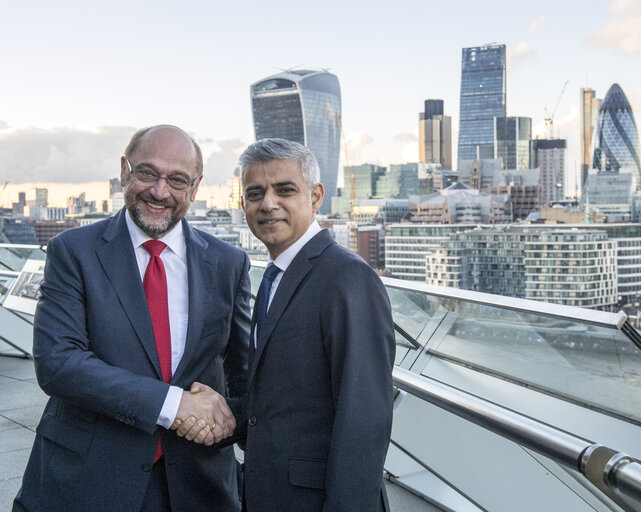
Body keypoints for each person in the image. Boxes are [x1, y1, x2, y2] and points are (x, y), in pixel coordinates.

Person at [13, 125, 251, 512]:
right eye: (147, 173)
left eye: (177, 180)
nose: (160, 191)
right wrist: (175, 406)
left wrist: (227, 424)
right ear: (124, 171)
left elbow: (242, 375)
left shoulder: (229, 263)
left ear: (194, 188)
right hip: (87, 479)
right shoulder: (73, 252)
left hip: (198, 485)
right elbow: (58, 363)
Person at [179, 138, 395, 511]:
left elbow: (364, 420)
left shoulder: (347, 277)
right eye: (255, 192)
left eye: (285, 190)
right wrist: (223, 413)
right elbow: (286, 401)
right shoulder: (276, 276)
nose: (268, 203)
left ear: (315, 196)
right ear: (243, 203)